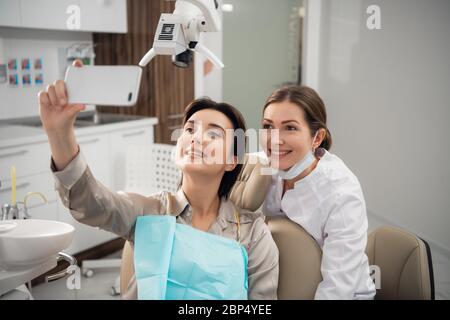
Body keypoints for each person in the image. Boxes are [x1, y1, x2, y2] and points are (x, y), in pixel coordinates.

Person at [37, 60, 279, 299]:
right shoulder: (148, 212)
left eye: (213, 133)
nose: (196, 138)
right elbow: (90, 203)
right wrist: (59, 133)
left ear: (231, 161)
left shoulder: (253, 234)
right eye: (190, 130)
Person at [260, 85, 375, 299]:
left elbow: (338, 288)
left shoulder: (341, 193)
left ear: (317, 137)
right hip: (285, 283)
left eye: (290, 128)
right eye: (268, 126)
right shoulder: (263, 167)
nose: (274, 139)